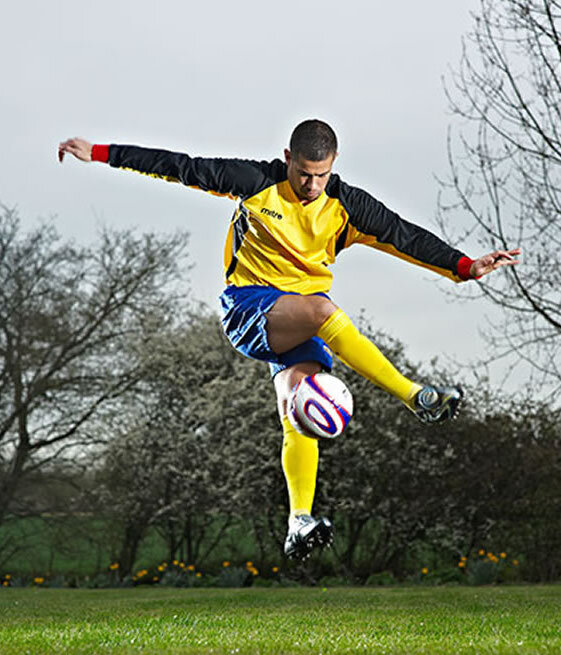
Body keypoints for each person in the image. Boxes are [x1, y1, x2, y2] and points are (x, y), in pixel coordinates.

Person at [58, 120, 520, 560]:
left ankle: (299, 520)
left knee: (301, 404)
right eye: (303, 173)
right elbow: (179, 165)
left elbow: (404, 236)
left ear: (333, 165)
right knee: (322, 310)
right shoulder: (255, 181)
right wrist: (98, 153)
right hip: (249, 307)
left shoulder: (347, 207)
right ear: (288, 159)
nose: (312, 185)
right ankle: (416, 396)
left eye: (321, 175)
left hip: (299, 322)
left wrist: (463, 266)